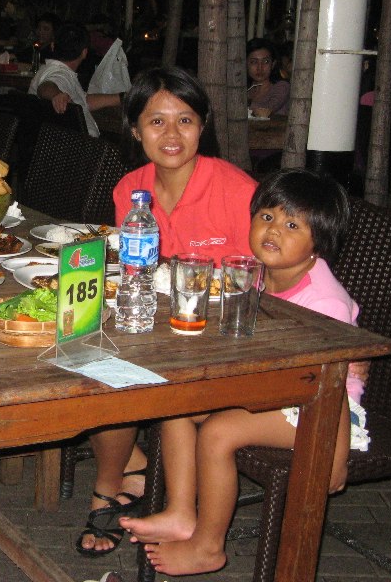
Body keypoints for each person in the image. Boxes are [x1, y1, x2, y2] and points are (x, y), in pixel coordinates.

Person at [120, 168, 370, 576]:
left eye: (292, 225)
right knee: (177, 402)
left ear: (320, 242)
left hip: (321, 409)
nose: (274, 231)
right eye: (267, 217)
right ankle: (181, 512)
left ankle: (208, 546)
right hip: (274, 385)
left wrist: (333, 454)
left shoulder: (325, 302)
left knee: (220, 432)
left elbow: (335, 381)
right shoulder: (256, 273)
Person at [77, 67, 257, 556]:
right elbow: (135, 273)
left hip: (220, 343)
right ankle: (130, 467)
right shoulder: (129, 190)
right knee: (84, 354)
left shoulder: (238, 190)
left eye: (185, 120)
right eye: (156, 121)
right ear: (135, 130)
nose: (172, 134)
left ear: (203, 126)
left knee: (116, 376)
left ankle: (108, 488)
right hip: (158, 332)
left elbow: (267, 280)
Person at [28, 22, 121, 139]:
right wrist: (56, 95)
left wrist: (121, 98)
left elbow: (83, 100)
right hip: (78, 146)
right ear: (84, 52)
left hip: (70, 143)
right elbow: (46, 86)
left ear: (52, 46)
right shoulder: (59, 75)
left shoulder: (51, 70)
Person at [246, 37, 290, 118]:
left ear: (273, 64)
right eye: (254, 62)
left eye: (266, 62)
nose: (260, 68)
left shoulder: (282, 87)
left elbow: (266, 110)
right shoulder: (245, 89)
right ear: (246, 64)